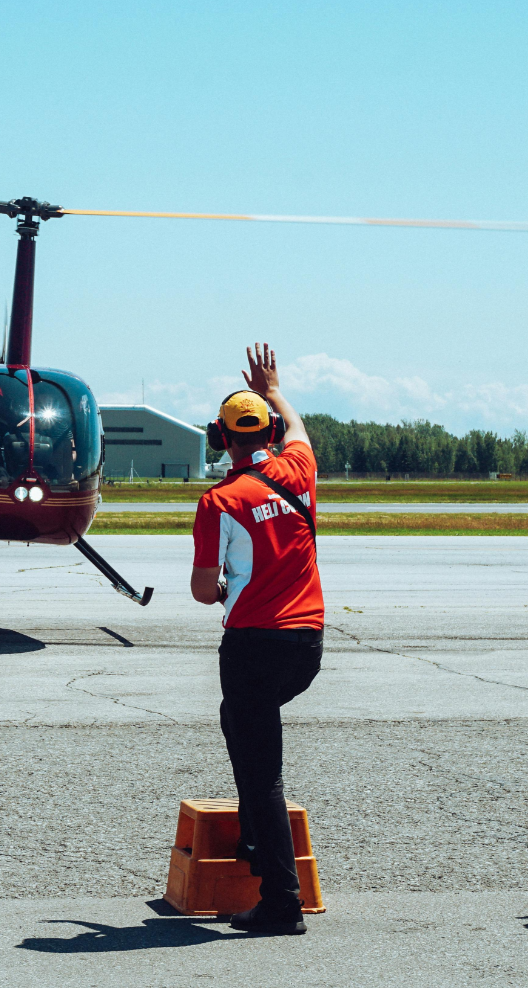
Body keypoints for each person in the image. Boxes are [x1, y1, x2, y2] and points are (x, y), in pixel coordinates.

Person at [189, 343, 322, 935]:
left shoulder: (219, 500)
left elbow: (200, 590)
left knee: (260, 771)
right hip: (307, 645)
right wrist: (273, 386)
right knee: (238, 726)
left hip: (252, 646)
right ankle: (252, 838)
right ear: (266, 430)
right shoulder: (300, 471)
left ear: (221, 438)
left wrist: (225, 590)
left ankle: (280, 901)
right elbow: (297, 425)